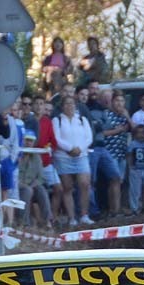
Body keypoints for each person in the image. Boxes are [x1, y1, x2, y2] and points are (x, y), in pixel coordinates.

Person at [51, 95, 94, 226]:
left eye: (72, 104)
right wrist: (69, 148)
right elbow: (56, 138)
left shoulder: (82, 119)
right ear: (62, 106)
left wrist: (80, 149)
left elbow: (89, 137)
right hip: (63, 157)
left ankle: (84, 215)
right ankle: (71, 218)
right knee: (67, 187)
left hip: (81, 156)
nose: (70, 106)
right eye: (67, 104)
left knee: (84, 184)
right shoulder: (57, 120)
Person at [87, 88, 123, 219]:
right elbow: (99, 130)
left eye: (110, 97)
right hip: (92, 148)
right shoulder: (91, 110)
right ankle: (93, 212)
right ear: (100, 98)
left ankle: (115, 211)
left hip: (103, 148)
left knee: (116, 177)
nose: (108, 100)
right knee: (91, 181)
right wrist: (115, 130)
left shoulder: (105, 112)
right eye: (106, 98)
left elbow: (104, 129)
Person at [36, 99, 63, 222]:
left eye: (41, 104)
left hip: (46, 162)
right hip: (31, 164)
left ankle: (53, 217)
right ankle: (38, 220)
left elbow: (53, 141)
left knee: (58, 188)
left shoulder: (47, 121)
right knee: (36, 191)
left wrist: (50, 147)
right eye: (36, 104)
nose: (38, 106)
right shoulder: (28, 121)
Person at [18, 133, 53, 228]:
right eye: (26, 140)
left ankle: (48, 222)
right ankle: (24, 223)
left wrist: (32, 185)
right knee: (27, 191)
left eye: (31, 141)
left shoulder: (37, 157)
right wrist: (26, 186)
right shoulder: (17, 155)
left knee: (41, 190)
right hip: (18, 185)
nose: (28, 143)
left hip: (31, 185)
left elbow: (40, 177)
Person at [126, 124, 144, 214]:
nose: (141, 135)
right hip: (136, 169)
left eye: (143, 133)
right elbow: (129, 155)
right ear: (134, 135)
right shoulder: (133, 144)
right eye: (138, 133)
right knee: (135, 190)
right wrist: (130, 166)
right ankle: (135, 208)